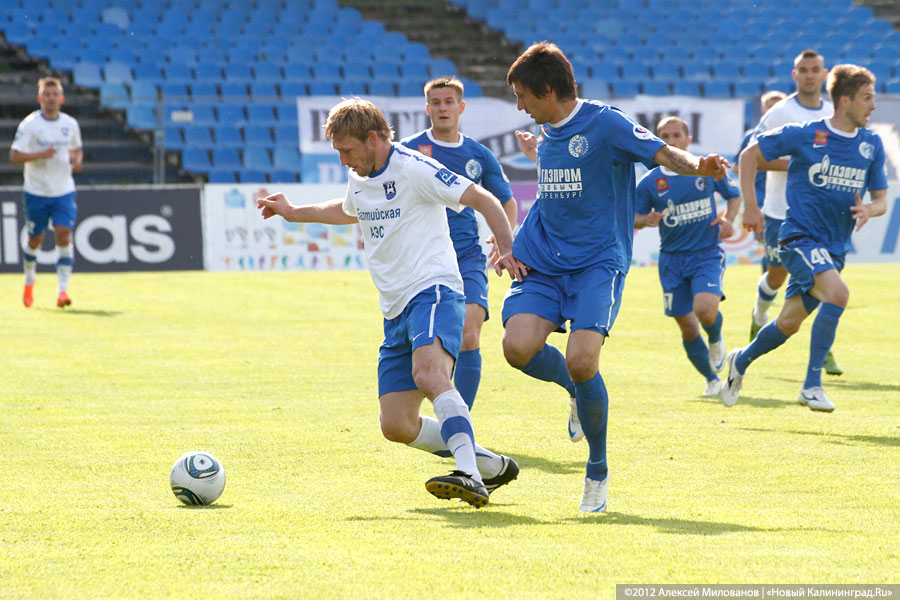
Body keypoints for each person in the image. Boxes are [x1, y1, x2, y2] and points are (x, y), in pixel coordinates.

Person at [257, 98, 524, 508]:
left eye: (347, 150)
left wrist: (506, 248)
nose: (343, 161)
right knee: (397, 424)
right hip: (395, 307)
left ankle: (470, 475)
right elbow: (348, 209)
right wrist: (294, 213)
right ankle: (490, 464)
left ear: (372, 138)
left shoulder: (415, 167)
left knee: (430, 375)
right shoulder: (360, 176)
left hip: (433, 290)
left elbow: (484, 199)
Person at [500, 42, 729, 512]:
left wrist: (699, 166)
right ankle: (574, 392)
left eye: (522, 95)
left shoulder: (606, 122)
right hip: (543, 257)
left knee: (583, 361)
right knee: (516, 349)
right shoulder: (548, 130)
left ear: (547, 90)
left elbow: (663, 153)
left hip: (597, 262)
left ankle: (597, 470)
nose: (519, 106)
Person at [724, 64, 887, 412]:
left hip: (835, 247)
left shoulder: (871, 144)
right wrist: (751, 207)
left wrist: (869, 210)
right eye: (867, 98)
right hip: (799, 237)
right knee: (839, 294)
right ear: (845, 101)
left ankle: (741, 360)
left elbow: (881, 200)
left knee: (788, 324)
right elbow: (749, 155)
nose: (874, 106)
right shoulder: (806, 133)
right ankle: (812, 386)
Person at [400, 76, 518, 412]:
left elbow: (506, 202)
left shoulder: (478, 154)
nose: (442, 108)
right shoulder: (407, 151)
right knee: (423, 348)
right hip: (421, 259)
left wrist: (503, 237)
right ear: (427, 109)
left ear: (461, 107)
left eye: (448, 102)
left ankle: (461, 423)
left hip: (466, 256)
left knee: (469, 333)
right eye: (435, 103)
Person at [744, 50, 843, 376]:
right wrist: (798, 164)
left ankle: (824, 351)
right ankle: (760, 314)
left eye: (815, 70)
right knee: (777, 276)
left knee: (825, 282)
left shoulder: (833, 111)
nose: (809, 75)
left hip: (820, 217)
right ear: (794, 75)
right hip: (781, 213)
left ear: (825, 74)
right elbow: (751, 156)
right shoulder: (781, 112)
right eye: (804, 70)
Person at [635, 116, 741, 397]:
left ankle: (716, 338)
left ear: (688, 140)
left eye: (676, 135)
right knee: (687, 327)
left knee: (705, 310)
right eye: (665, 137)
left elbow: (733, 195)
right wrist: (646, 219)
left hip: (706, 253)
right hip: (671, 260)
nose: (671, 141)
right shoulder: (649, 183)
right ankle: (711, 380)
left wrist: (728, 219)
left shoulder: (705, 169)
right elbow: (632, 217)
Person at [10, 76, 83, 308]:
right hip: (37, 191)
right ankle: (29, 279)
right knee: (35, 240)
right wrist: (40, 155)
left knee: (63, 234)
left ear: (62, 98)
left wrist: (77, 161)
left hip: (63, 190)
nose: (51, 98)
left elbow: (77, 150)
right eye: (47, 95)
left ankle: (63, 291)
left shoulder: (70, 124)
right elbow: (14, 156)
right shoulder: (30, 125)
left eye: (55, 94)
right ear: (40, 98)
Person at [735, 90, 786, 271]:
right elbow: (738, 166)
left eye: (777, 106)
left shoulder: (790, 135)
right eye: (770, 106)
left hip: (784, 197)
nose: (773, 109)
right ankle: (768, 281)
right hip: (760, 198)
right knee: (769, 243)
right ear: (763, 109)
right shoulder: (753, 136)